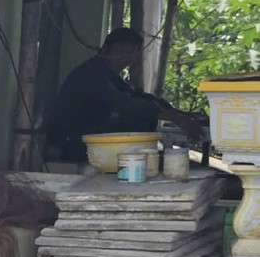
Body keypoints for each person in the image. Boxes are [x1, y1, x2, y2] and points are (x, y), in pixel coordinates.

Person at [47, 27, 204, 161]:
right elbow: (125, 104)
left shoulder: (109, 74)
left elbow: (137, 97)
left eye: (130, 53)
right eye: (120, 51)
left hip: (86, 141)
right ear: (105, 50)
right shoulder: (91, 74)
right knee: (136, 123)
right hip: (69, 143)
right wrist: (176, 118)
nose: (124, 57)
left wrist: (180, 114)